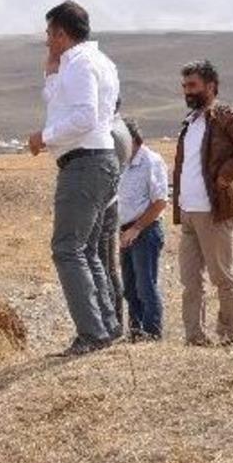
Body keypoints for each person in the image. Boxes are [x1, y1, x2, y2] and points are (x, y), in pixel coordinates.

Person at [27, 0, 121, 355]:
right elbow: (60, 100)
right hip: (97, 160)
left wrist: (44, 138)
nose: (46, 40)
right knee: (88, 250)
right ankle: (107, 326)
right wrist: (51, 70)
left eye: (49, 34)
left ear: (62, 33)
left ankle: (92, 333)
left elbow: (84, 117)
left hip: (85, 162)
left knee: (67, 249)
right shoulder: (93, 62)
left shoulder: (81, 64)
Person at [174, 60, 233, 347]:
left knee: (221, 277)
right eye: (184, 86)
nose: (187, 91)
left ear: (210, 86)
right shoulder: (190, 123)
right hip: (188, 212)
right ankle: (194, 336)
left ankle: (228, 334)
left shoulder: (222, 116)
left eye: (193, 85)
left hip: (212, 212)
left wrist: (226, 175)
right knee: (190, 282)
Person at [117, 118, 169, 340]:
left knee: (145, 285)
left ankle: (152, 332)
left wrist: (136, 228)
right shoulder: (123, 164)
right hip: (125, 231)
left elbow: (160, 202)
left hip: (145, 231)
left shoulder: (151, 161)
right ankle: (136, 331)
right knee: (129, 287)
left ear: (133, 140)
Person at [101, 102, 135, 335]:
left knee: (104, 267)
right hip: (110, 203)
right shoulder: (119, 127)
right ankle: (113, 322)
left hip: (104, 204)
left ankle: (111, 324)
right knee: (107, 266)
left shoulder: (111, 131)